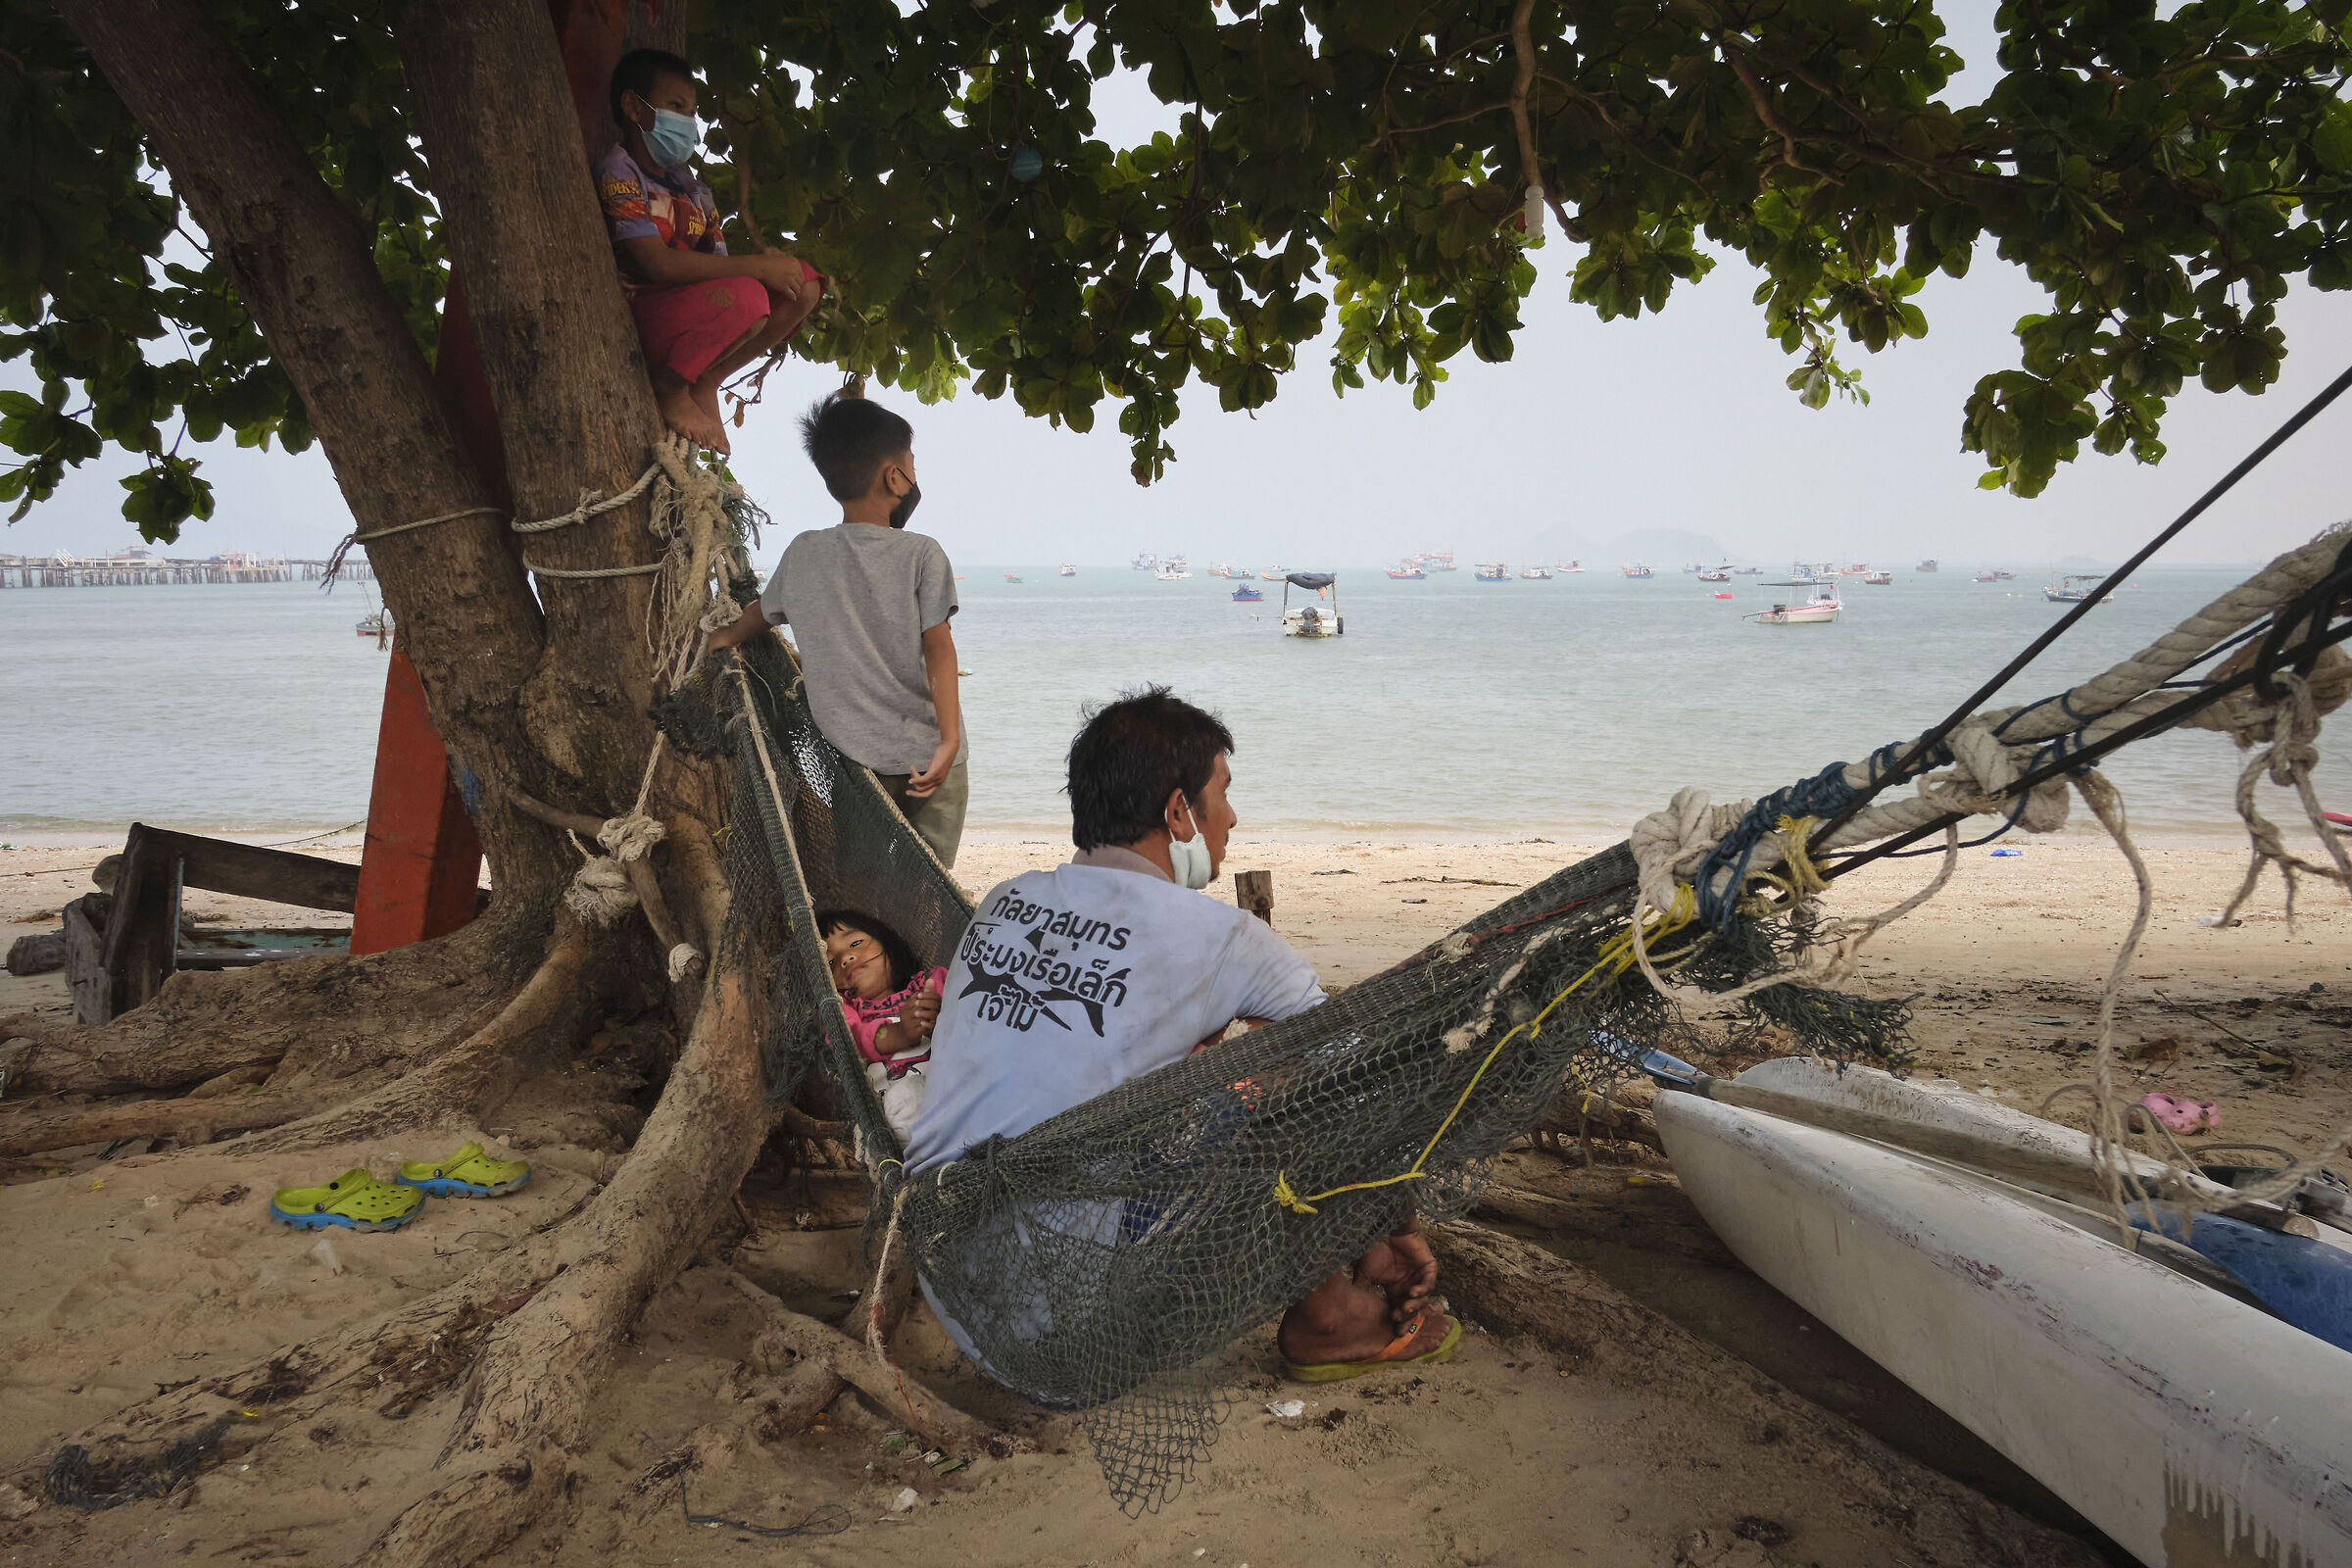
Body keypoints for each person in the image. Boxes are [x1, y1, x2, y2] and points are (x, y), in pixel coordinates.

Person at [906, 687, 1458, 1384]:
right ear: (1177, 813)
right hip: (1065, 1320)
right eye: (1222, 792)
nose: (1232, 816)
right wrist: (1389, 1223)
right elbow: (1354, 1081)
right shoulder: (1225, 939)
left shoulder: (1005, 900)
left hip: (952, 1278)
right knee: (1277, 1085)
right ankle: (1329, 1319)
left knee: (1207, 1077)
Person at [707, 394, 967, 866]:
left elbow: (753, 619)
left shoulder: (805, 552)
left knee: (868, 884)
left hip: (852, 769)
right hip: (931, 756)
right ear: (896, 477)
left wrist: (717, 639)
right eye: (911, 464)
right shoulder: (923, 553)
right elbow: (939, 650)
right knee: (931, 885)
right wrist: (948, 742)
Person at [597, 48, 822, 455]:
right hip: (645, 309)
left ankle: (707, 378)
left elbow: (718, 270)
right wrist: (755, 267)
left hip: (694, 312)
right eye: (675, 106)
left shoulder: (692, 189)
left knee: (803, 284)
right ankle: (670, 388)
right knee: (749, 295)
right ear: (633, 107)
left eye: (691, 111)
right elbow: (656, 263)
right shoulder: (621, 170)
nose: (686, 121)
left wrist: (766, 267)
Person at [817, 908, 946, 1145]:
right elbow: (849, 1040)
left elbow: (974, 1018)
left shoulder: (932, 984)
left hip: (955, 1083)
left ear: (887, 942)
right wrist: (898, 1033)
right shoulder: (844, 1010)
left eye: (855, 942)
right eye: (831, 962)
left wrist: (942, 1019)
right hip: (903, 1114)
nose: (846, 959)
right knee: (905, 1099)